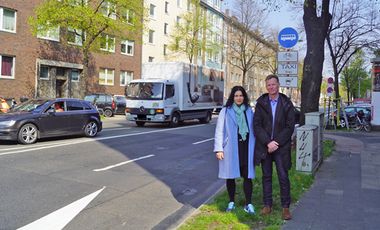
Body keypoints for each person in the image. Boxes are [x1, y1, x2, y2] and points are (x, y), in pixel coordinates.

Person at [253, 74, 295, 220]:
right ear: (266, 87)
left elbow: (290, 127)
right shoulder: (261, 103)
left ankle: (285, 207)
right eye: (268, 85)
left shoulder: (286, 103)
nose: (271, 87)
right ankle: (267, 204)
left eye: (273, 84)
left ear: (278, 85)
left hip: (281, 147)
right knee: (266, 177)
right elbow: (256, 125)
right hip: (265, 146)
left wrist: (276, 142)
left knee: (283, 176)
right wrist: (267, 142)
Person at [214, 86, 256, 214]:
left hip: (246, 147)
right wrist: (219, 149)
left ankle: (248, 203)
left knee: (247, 176)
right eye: (236, 95)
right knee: (230, 176)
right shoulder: (226, 111)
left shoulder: (249, 111)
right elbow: (219, 130)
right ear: (233, 97)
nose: (239, 98)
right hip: (231, 148)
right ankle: (231, 201)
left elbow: (254, 129)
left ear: (244, 97)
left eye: (241, 95)